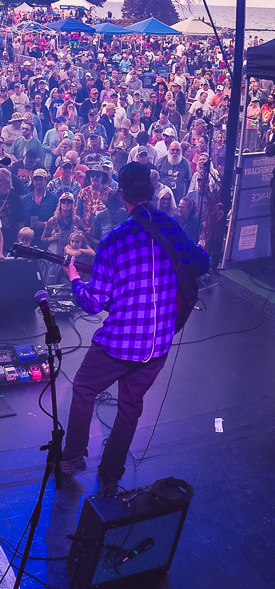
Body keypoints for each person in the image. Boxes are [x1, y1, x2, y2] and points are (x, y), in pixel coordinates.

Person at [60, 162, 209, 498]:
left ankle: (73, 457)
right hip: (159, 343)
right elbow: (202, 262)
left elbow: (94, 303)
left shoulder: (113, 241)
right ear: (151, 192)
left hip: (119, 344)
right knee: (130, 407)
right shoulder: (170, 226)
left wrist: (74, 278)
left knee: (84, 388)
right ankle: (111, 476)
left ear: (121, 195)